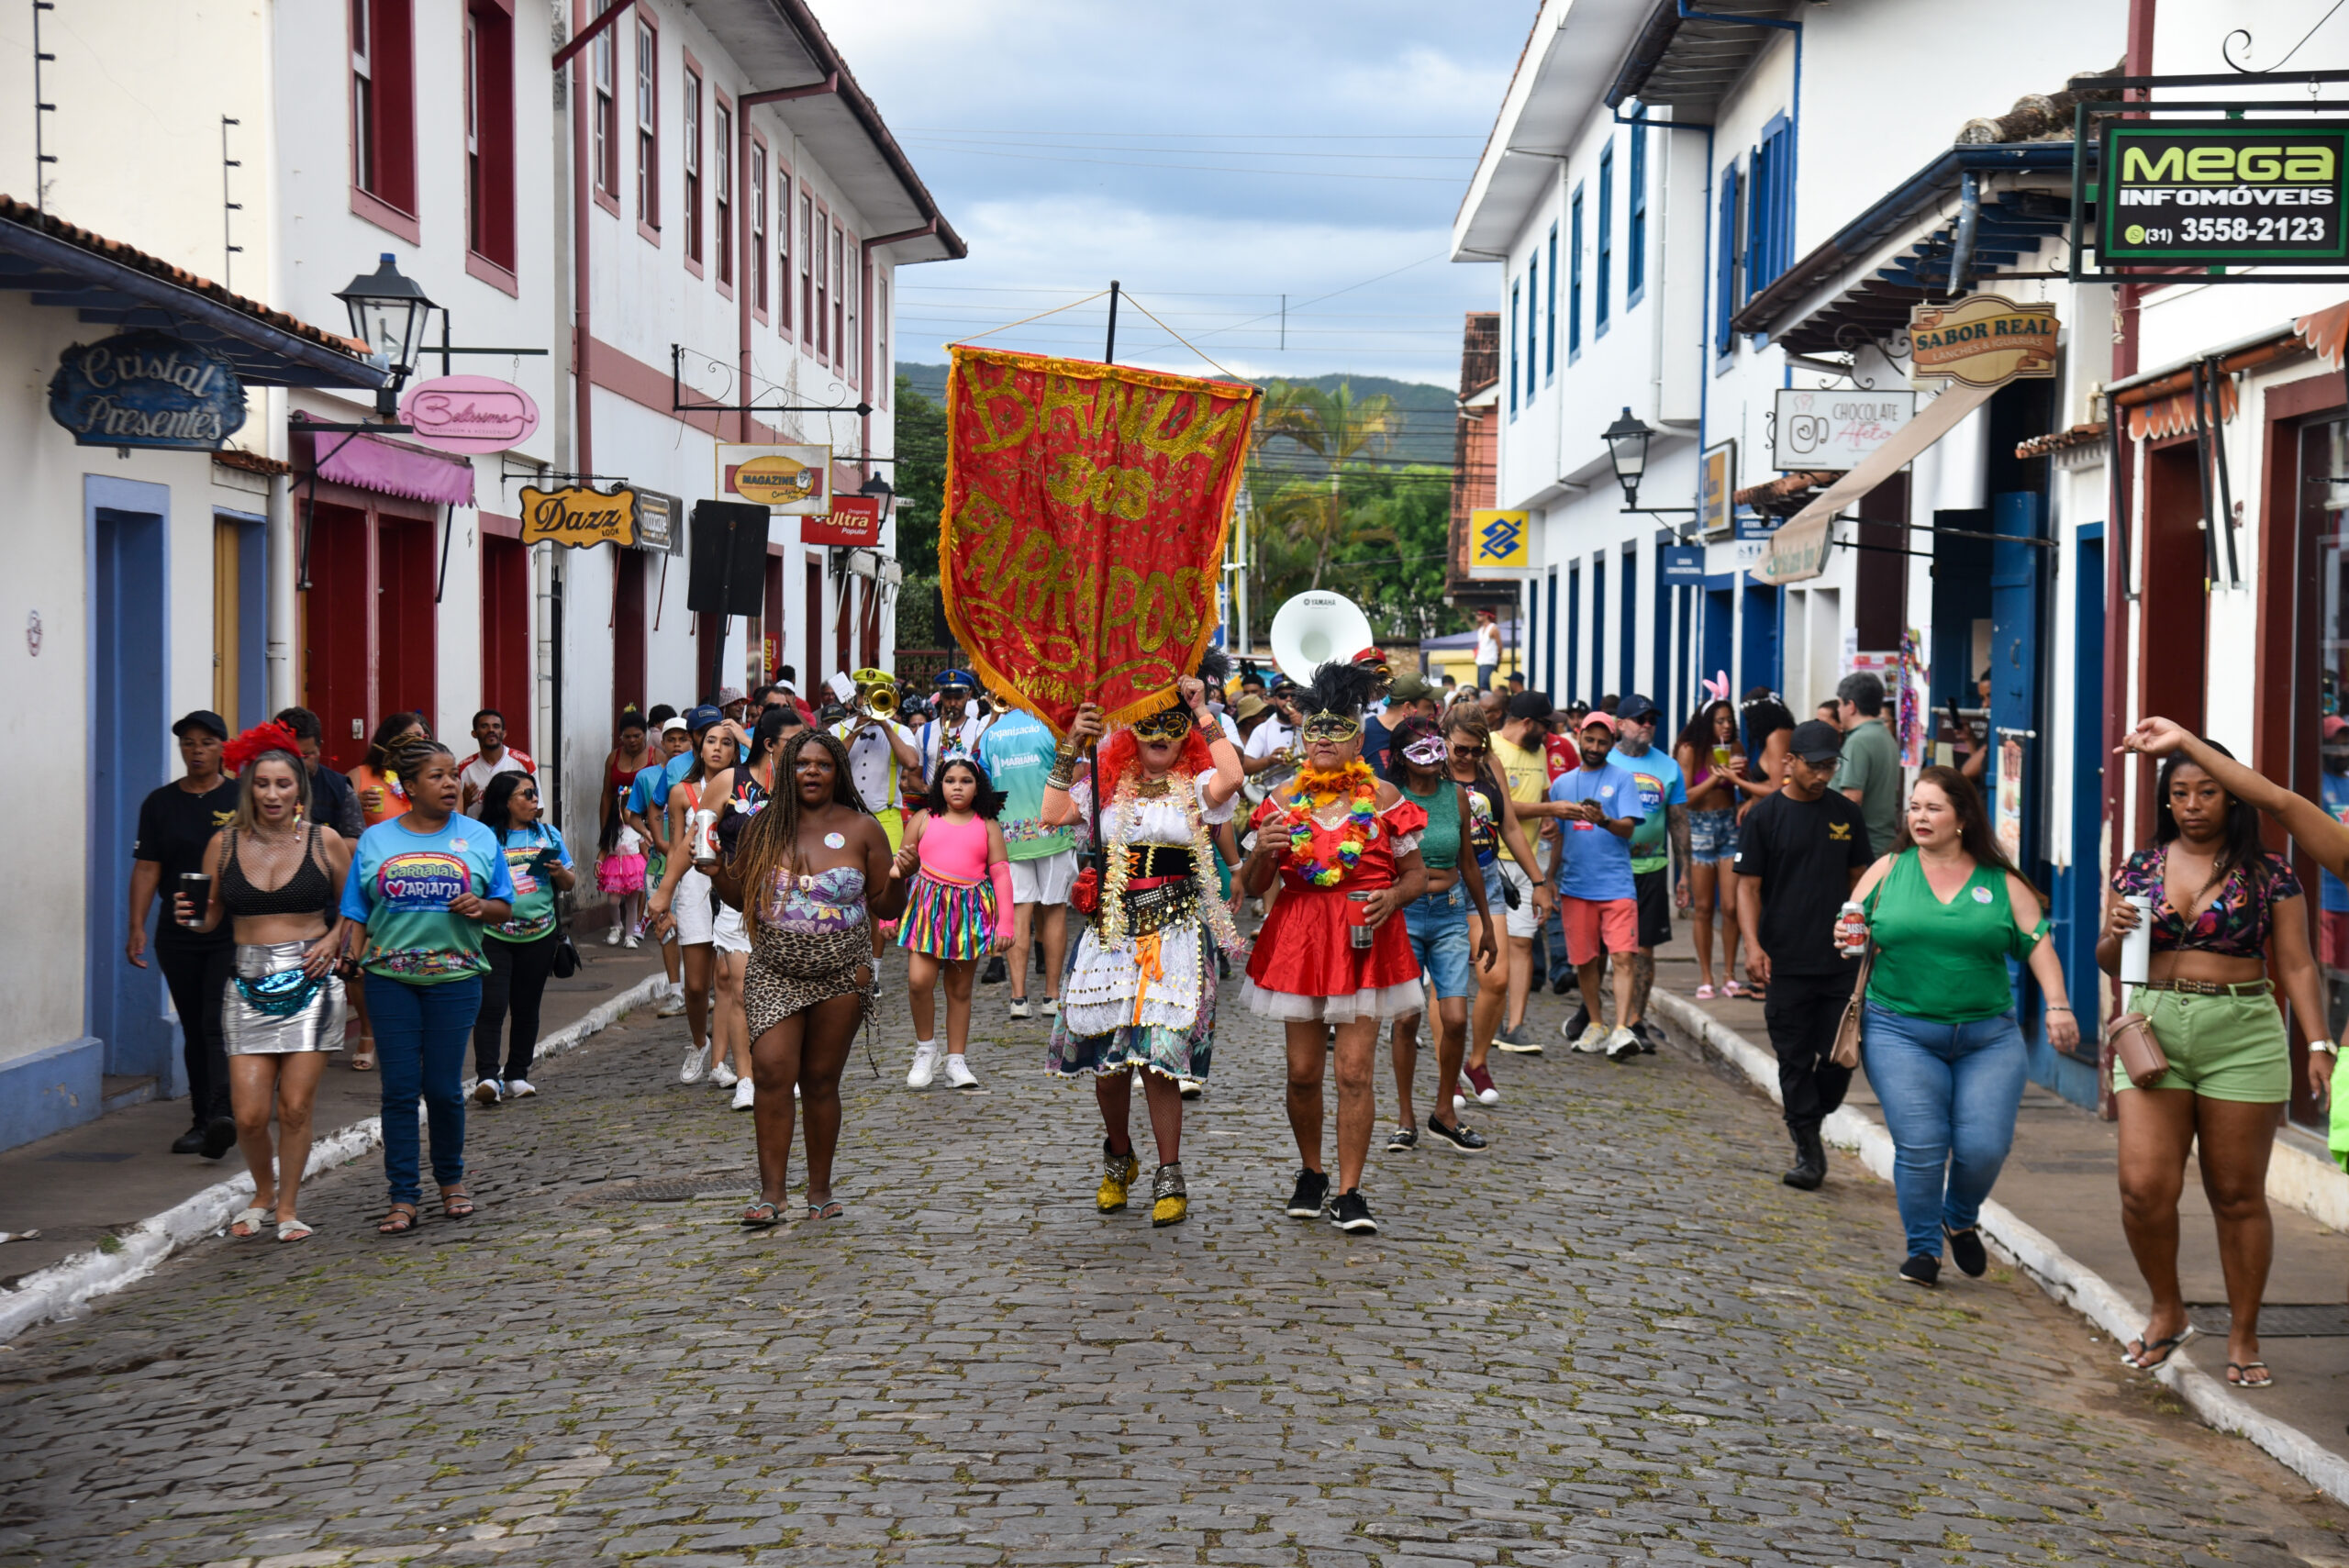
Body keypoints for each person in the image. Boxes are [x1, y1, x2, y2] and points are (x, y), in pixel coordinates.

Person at [2100, 722, 2333, 1389]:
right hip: (2153, 1027)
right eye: (2180, 792)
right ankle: (2167, 1308)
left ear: (2233, 797)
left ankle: (2244, 1332)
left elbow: (2296, 963)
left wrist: (2317, 1042)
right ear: (2165, 801)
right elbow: (2110, 961)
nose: (2194, 803)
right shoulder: (2138, 867)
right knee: (2144, 1188)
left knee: (2235, 1193)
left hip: (2242, 1029)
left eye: (2208, 790)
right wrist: (2113, 934)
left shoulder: (2270, 873)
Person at [1848, 767, 2078, 1288]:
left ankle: (1960, 1213)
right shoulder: (1889, 869)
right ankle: (1924, 1250)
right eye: (1915, 807)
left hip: (1987, 1038)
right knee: (1923, 1144)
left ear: (1962, 818)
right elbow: (1850, 927)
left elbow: (2037, 942)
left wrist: (2058, 1006)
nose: (1920, 817)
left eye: (1934, 808)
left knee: (1983, 1147)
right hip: (1899, 1030)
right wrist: (1847, 935)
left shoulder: (2000, 881)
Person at [1042, 664, 1246, 1229]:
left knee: (1158, 1059)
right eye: (1148, 726)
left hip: (1176, 932)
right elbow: (1053, 814)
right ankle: (1118, 1158)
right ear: (1130, 732)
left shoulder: (1196, 790)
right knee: (1108, 1061)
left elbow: (1232, 777)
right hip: (1111, 932)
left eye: (1172, 727)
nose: (1160, 735)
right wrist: (1072, 744)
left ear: (1184, 736)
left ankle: (1170, 1173)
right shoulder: (1106, 786)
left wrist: (1203, 710)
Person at [1241, 660, 1429, 1236]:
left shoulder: (1386, 797)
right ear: (1302, 737)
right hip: (1299, 938)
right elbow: (1249, 887)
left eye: (1336, 729)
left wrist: (1394, 896)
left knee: (1353, 1072)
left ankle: (1350, 1190)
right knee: (1302, 1073)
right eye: (1313, 729)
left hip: (1364, 940)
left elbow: (1418, 875)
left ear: (1356, 736)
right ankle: (1311, 1172)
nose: (1322, 739)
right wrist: (1263, 853)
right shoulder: (1279, 801)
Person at [714, 728, 907, 1224]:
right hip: (775, 970)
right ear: (786, 771)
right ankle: (771, 1193)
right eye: (803, 764)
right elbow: (740, 896)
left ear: (838, 770)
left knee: (821, 1080)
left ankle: (818, 1190)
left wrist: (899, 879)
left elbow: (884, 907)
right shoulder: (763, 828)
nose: (812, 772)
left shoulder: (863, 828)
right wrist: (714, 871)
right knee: (773, 1073)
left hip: (841, 973)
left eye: (823, 764)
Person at [175, 724, 351, 1240]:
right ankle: (262, 1190)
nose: (272, 794)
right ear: (249, 787)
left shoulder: (325, 841)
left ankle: (287, 1207)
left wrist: (333, 939)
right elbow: (210, 920)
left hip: (312, 981)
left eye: (283, 784)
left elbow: (359, 906)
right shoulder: (223, 844)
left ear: (300, 789)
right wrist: (191, 917)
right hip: (248, 983)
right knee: (249, 1116)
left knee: (294, 1107)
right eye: (262, 784)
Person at [339, 733, 514, 1235]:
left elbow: (504, 905)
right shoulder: (377, 839)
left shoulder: (479, 838)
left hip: (455, 979)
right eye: (436, 776)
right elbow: (356, 910)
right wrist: (350, 961)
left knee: (441, 1089)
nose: (449, 784)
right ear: (408, 786)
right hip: (389, 980)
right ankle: (402, 1195)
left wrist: (481, 907)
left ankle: (451, 1182)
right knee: (397, 1091)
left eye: (452, 775)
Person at [1734, 719, 1875, 1189]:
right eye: (1814, 766)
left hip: (1839, 960)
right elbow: (1748, 888)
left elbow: (1861, 878)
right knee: (1793, 1057)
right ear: (1789, 763)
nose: (1823, 775)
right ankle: (1807, 1147)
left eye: (1830, 766)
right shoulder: (1764, 817)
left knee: (1840, 1056)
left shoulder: (1845, 815)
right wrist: (1753, 947)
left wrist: (1865, 933)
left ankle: (1811, 1116)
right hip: (1785, 959)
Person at [129, 710, 242, 1158]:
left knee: (217, 1021)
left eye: (206, 743)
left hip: (231, 928)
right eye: (188, 743)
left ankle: (222, 1115)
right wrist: (136, 925)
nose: (196, 751)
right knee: (196, 1027)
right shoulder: (160, 803)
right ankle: (203, 1120)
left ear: (222, 748)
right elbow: (146, 867)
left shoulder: (241, 798)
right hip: (178, 928)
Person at [1383, 715, 1495, 1153]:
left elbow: (1469, 863)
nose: (1431, 754)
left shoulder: (1457, 798)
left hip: (1449, 914)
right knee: (1407, 1018)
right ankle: (1406, 1118)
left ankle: (1444, 1112)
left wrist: (1486, 924)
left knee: (1455, 1018)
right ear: (1401, 758)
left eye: (1435, 744)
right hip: (1404, 916)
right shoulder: (1390, 798)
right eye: (1419, 747)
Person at [896, 757, 1014, 1090]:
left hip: (970, 911)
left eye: (966, 781)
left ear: (979, 788)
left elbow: (1001, 873)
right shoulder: (923, 819)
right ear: (940, 785)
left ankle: (956, 1061)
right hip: (926, 907)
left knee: (959, 990)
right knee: (919, 981)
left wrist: (1006, 924)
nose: (958, 786)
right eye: (950, 780)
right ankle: (925, 1050)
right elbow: (900, 868)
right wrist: (890, 913)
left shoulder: (987, 825)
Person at [1452, 707, 1548, 1107]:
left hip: (1488, 878)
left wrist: (1539, 882)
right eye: (1460, 749)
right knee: (1450, 986)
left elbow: (1508, 824)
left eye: (1476, 750)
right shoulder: (1432, 763)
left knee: (1497, 979)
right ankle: (1449, 1074)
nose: (1467, 757)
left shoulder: (1490, 766)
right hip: (1442, 882)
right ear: (1445, 739)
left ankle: (1476, 1062)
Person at [647, 709, 749, 1088]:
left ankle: (721, 1062)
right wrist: (667, 900)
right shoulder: (680, 793)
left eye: (727, 743)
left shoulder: (743, 789)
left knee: (725, 976)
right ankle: (698, 1041)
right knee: (696, 985)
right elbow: (676, 847)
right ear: (697, 747)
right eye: (711, 741)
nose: (718, 749)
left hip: (731, 883)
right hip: (692, 885)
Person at [470, 771, 575, 1105]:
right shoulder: (485, 837)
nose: (534, 801)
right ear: (505, 801)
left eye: (535, 794)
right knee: (492, 1005)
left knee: (527, 1008)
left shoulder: (547, 834)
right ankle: (487, 1076)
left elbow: (571, 881)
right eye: (526, 795)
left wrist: (560, 872)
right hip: (494, 935)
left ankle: (517, 1074)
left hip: (539, 935)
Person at [1549, 711, 1647, 1062]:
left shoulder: (1622, 779)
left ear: (1612, 743)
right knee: (1585, 961)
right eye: (1589, 740)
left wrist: (1603, 820)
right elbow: (1557, 839)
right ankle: (1596, 1022)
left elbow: (1628, 829)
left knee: (1622, 956)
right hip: (1576, 887)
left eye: (1602, 742)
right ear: (1579, 736)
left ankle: (1621, 1028)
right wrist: (1547, 880)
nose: (1594, 747)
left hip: (1617, 885)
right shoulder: (1562, 785)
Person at [977, 698, 1077, 1020]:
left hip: (1010, 835)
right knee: (1054, 911)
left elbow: (985, 781)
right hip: (1053, 830)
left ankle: (1018, 997)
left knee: (1019, 912)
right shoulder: (1053, 726)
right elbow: (1072, 774)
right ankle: (1052, 994)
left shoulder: (992, 733)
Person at [1489, 691, 1569, 1051]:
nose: (1550, 733)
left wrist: (1549, 818)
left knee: (1523, 943)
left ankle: (1515, 1025)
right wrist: (1550, 807)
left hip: (1528, 861)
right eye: (1545, 725)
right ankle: (1486, 1021)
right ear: (1527, 723)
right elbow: (1500, 807)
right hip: (1492, 860)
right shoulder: (1489, 748)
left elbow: (1541, 798)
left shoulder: (1539, 754)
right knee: (1492, 947)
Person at [1610, 695, 1688, 1048]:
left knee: (1644, 949)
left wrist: (1683, 874)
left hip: (1653, 868)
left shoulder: (1669, 767)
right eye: (1639, 719)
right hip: (1609, 868)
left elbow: (1678, 822)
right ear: (1620, 724)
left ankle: (1636, 1020)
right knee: (1608, 950)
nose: (1647, 725)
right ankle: (1599, 1016)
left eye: (1651, 719)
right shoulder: (1605, 761)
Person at [1674, 700, 1748, 999]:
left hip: (1730, 825)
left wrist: (1741, 782)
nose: (1727, 726)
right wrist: (1719, 776)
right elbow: (1684, 798)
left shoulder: (1737, 747)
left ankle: (1730, 974)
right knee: (1703, 908)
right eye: (1720, 721)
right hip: (1700, 827)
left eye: (1729, 720)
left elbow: (1748, 787)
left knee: (1731, 906)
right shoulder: (1689, 749)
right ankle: (1706, 976)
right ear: (1707, 723)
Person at [626, 716, 696, 1018]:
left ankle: (699, 989)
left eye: (683, 739)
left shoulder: (703, 775)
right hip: (660, 861)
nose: (677, 744)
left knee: (696, 923)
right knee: (664, 925)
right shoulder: (647, 777)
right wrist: (648, 836)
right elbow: (633, 813)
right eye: (671, 739)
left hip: (696, 861)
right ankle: (676, 991)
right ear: (662, 743)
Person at [831, 674, 922, 853]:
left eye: (874, 695)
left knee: (890, 875)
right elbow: (828, 761)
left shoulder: (899, 731)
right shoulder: (839, 728)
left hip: (887, 818)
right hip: (845, 814)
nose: (868, 701)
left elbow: (912, 763)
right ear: (857, 697)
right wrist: (855, 731)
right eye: (864, 694)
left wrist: (885, 725)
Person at [1832, 672, 1902, 857]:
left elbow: (1852, 799)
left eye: (1840, 704)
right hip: (1881, 842)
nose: (1838, 711)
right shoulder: (1884, 736)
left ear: (1851, 706)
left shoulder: (1859, 741)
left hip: (1863, 847)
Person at [277, 706, 362, 841]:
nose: (298, 763)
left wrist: (314, 846)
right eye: (290, 755)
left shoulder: (340, 789)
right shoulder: (254, 784)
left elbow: (356, 844)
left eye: (306, 755)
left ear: (320, 747)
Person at [457, 708, 534, 817]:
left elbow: (539, 810)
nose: (491, 730)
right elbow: (454, 816)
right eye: (484, 726)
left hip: (512, 832)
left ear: (504, 733)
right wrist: (465, 802)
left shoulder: (524, 763)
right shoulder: (463, 768)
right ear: (474, 733)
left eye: (496, 726)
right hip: (477, 832)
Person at [1473, 607, 1501, 692]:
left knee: (1483, 684)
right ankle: (1487, 700)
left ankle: (1487, 702)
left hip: (1489, 660)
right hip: (1481, 660)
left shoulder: (1493, 628)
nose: (1477, 617)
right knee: (1481, 684)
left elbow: (1500, 645)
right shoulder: (1481, 630)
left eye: (1480, 614)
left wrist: (1499, 660)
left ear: (1486, 615)